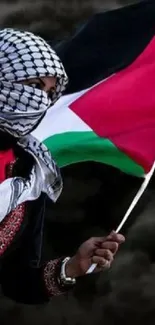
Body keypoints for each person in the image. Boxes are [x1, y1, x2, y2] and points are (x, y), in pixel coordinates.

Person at [0, 28, 125, 305]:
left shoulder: (31, 174)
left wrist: (73, 267)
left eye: (50, 91)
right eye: (33, 86)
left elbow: (17, 281)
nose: (41, 99)